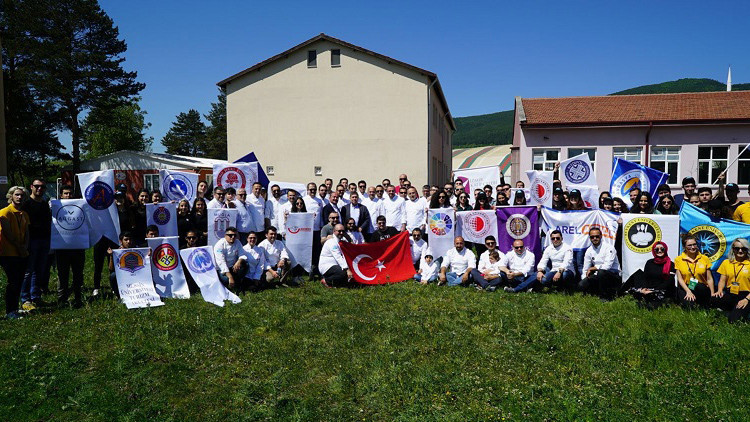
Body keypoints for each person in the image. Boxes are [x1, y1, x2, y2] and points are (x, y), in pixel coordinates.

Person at [20, 178, 51, 308]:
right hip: (31, 241)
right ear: (31, 187)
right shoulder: (26, 205)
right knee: (28, 271)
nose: (39, 189)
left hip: (44, 240)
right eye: (37, 186)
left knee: (39, 270)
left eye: (42, 187)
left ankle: (36, 297)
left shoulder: (45, 204)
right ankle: (25, 299)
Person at [1, 186, 30, 318]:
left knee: (19, 281)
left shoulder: (24, 214)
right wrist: (20, 248)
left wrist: (25, 247)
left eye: (22, 195)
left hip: (21, 253)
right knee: (12, 281)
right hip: (8, 253)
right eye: (17, 195)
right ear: (11, 196)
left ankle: (15, 308)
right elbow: (8, 234)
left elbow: (27, 232)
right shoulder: (5, 212)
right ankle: (9, 311)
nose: (19, 197)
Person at [54, 185, 85, 308]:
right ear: (61, 195)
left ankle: (78, 298)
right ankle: (62, 300)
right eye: (65, 193)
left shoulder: (80, 206)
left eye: (70, 193)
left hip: (78, 247)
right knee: (62, 274)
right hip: (61, 247)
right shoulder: (55, 206)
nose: (68, 196)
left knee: (78, 274)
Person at [626, 242, 675, 309]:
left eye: (662, 249)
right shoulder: (649, 262)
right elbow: (645, 277)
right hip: (650, 288)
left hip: (663, 290)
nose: (659, 251)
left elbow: (669, 281)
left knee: (652, 306)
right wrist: (644, 288)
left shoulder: (671, 264)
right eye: (656, 249)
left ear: (665, 249)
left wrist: (654, 290)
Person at [712, 238, 750, 323]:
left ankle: (739, 312)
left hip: (746, 295)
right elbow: (722, 280)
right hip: (731, 293)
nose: (740, 251)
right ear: (733, 249)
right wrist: (720, 290)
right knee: (714, 298)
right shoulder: (726, 262)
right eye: (737, 248)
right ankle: (730, 309)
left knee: (733, 321)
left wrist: (746, 300)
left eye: (743, 249)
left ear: (747, 250)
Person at [578, 227, 621, 300]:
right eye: (592, 237)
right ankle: (597, 292)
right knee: (581, 285)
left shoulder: (609, 248)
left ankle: (605, 297)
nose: (594, 238)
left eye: (597, 236)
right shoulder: (589, 250)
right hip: (598, 275)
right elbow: (585, 269)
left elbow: (607, 266)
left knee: (601, 272)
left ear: (601, 236)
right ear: (590, 238)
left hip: (613, 274)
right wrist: (584, 279)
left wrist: (594, 268)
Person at [674, 235, 714, 309]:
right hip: (686, 287)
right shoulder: (678, 260)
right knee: (689, 307)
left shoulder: (704, 258)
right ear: (684, 247)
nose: (692, 247)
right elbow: (680, 279)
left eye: (694, 244)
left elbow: (709, 279)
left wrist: (712, 294)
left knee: (701, 289)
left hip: (701, 287)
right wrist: (688, 291)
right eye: (689, 245)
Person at [213, 227, 248, 291]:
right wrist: (230, 276)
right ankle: (228, 283)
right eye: (230, 235)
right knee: (226, 279)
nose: (233, 237)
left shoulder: (237, 242)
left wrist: (239, 261)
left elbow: (242, 254)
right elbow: (221, 262)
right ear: (225, 236)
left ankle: (238, 282)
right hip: (222, 269)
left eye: (234, 235)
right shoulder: (219, 245)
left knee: (245, 264)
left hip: (232, 266)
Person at [107, 231, 135, 298]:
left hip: (135, 273)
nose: (128, 242)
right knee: (113, 275)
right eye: (126, 240)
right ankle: (118, 294)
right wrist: (111, 256)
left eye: (130, 239)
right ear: (121, 241)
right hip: (123, 274)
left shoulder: (137, 250)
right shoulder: (117, 252)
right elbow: (111, 269)